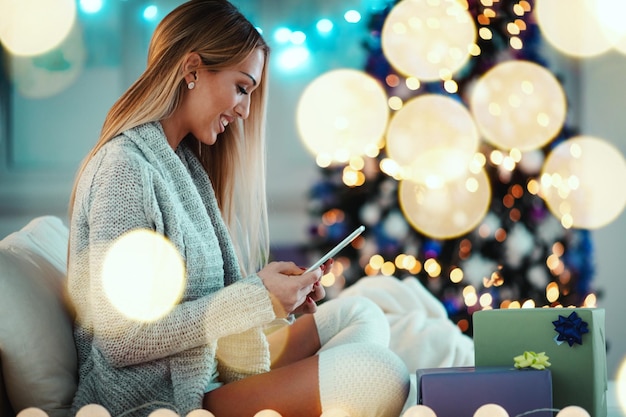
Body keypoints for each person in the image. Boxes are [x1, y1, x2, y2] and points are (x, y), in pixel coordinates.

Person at [66, 1, 410, 416]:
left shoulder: (185, 167)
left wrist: (277, 299)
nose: (245, 110)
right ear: (191, 69)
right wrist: (257, 297)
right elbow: (121, 339)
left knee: (362, 312)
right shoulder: (124, 169)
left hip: (209, 371)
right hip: (160, 397)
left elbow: (209, 305)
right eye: (242, 87)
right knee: (381, 374)